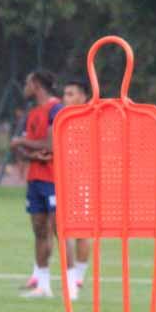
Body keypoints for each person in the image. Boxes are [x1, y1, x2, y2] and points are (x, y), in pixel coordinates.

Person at [10, 70, 62, 298]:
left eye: (27, 82)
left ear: (37, 84)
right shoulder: (32, 113)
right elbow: (22, 149)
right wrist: (30, 152)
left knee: (58, 231)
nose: (25, 86)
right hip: (35, 179)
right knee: (39, 230)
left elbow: (50, 146)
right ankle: (42, 285)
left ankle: (72, 282)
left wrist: (22, 142)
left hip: (54, 179)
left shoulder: (56, 109)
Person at [58, 78, 92, 299]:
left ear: (83, 97)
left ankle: (77, 278)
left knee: (83, 231)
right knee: (63, 230)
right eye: (65, 94)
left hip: (85, 182)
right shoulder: (63, 119)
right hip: (65, 181)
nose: (66, 98)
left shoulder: (91, 118)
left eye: (71, 94)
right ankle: (72, 278)